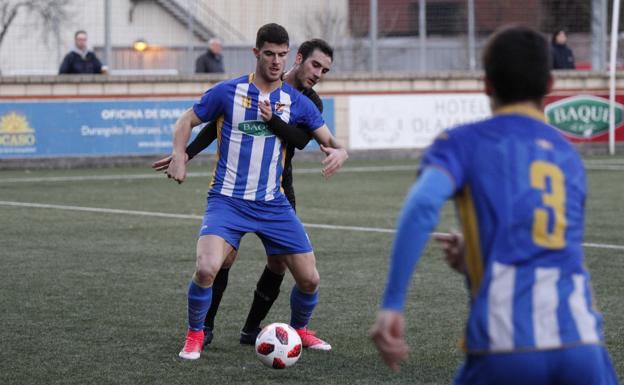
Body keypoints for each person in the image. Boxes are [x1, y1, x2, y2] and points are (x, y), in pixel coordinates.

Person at [369, 25, 619, 385]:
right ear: (550, 86)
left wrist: (392, 302)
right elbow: (544, 245)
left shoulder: (463, 142)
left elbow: (423, 205)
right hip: (582, 341)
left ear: (486, 84)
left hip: (506, 344)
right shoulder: (567, 154)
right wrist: (474, 259)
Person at [167, 23, 348, 360]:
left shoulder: (300, 102)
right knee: (209, 268)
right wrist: (181, 154)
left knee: (309, 279)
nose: (276, 61)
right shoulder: (228, 91)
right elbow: (189, 122)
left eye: (281, 54)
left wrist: (340, 151)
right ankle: (196, 333)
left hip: (274, 201)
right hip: (228, 201)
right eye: (270, 54)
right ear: (257, 53)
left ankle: (298, 330)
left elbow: (325, 141)